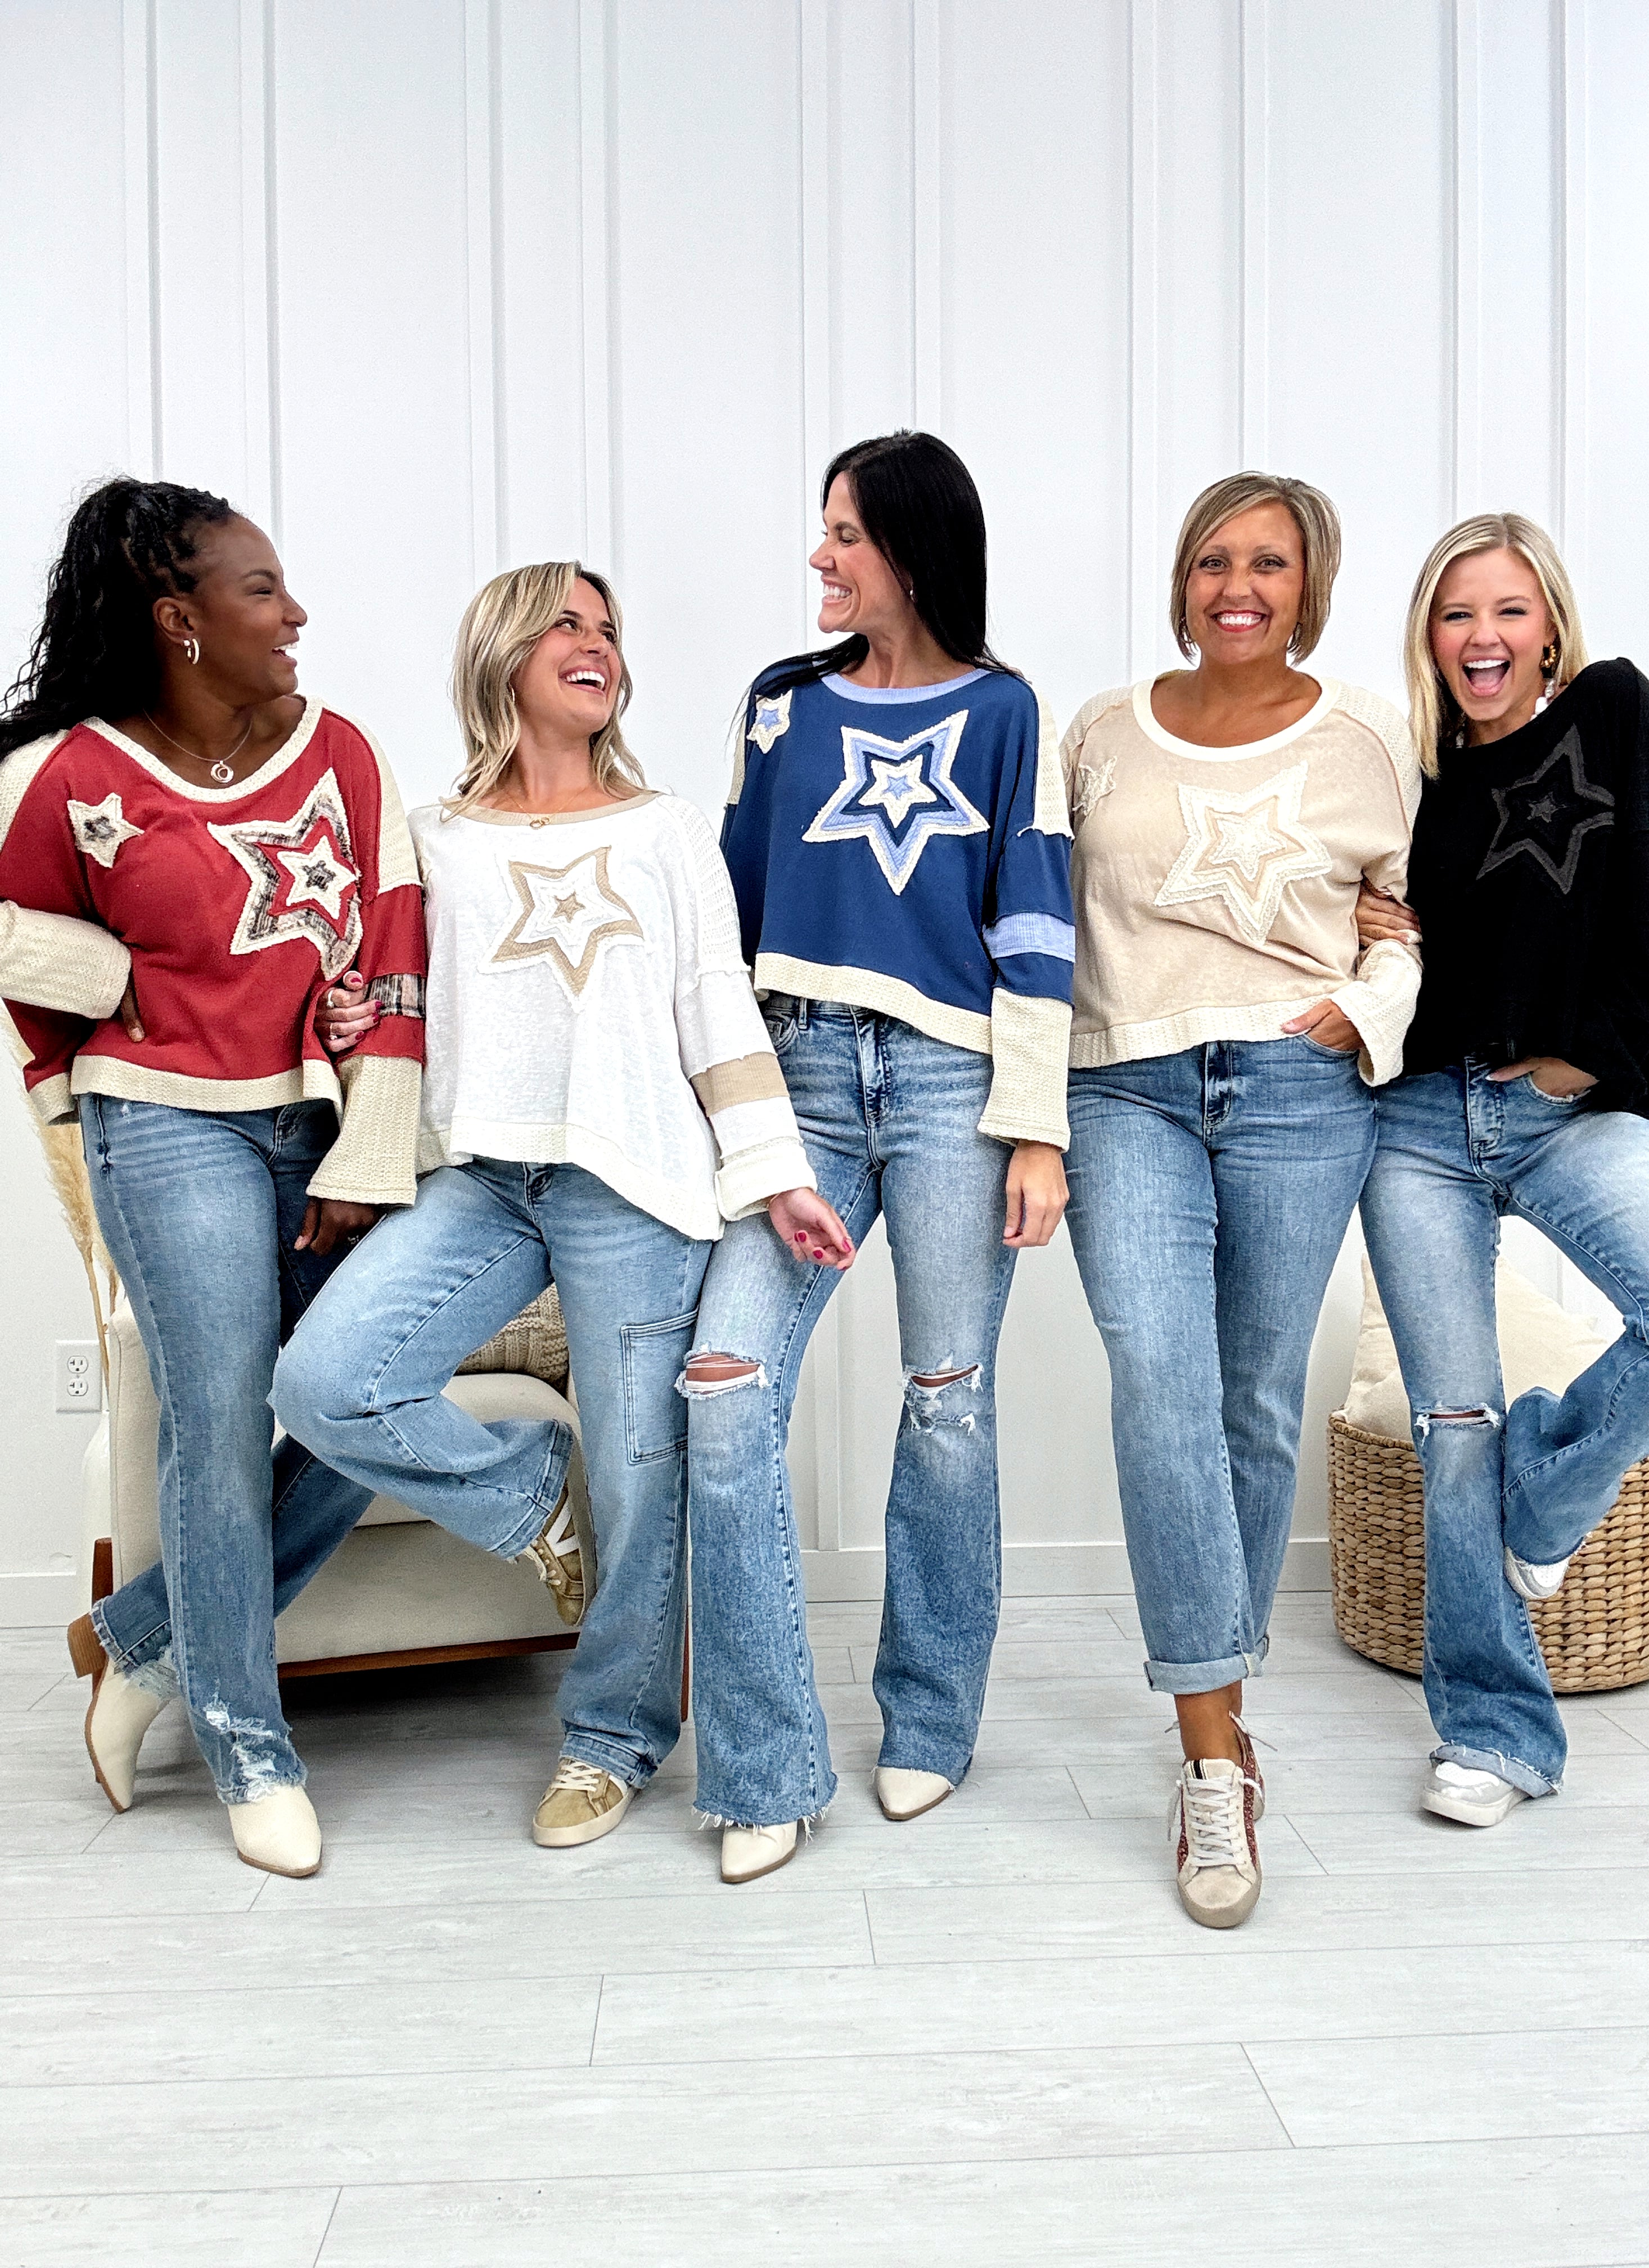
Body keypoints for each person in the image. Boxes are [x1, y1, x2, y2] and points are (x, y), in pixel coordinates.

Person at [273, 561, 846, 1849]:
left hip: (634, 1181)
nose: (597, 645)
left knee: (643, 1485)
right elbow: (391, 1002)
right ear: (505, 652)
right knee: (328, 1379)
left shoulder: (665, 829)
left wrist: (775, 1171)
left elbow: (715, 1009)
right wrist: (351, 1018)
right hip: (478, 1176)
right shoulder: (432, 836)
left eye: (609, 629)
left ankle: (610, 1742)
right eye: (566, 625)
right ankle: (533, 1499)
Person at [0, 476, 426, 1878]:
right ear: (177, 619)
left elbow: (397, 957)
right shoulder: (67, 775)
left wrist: (373, 1144)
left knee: (363, 1392)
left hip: (320, 1124)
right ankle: (250, 1744)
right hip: (162, 1121)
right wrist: (104, 970)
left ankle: (142, 1641)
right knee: (220, 1423)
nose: (295, 613)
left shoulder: (342, 753)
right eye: (261, 590)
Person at [681, 429, 1075, 1886]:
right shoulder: (781, 706)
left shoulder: (1007, 709)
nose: (821, 557)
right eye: (825, 529)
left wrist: (1037, 1125)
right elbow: (726, 915)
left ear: (912, 545)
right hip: (797, 1077)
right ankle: (766, 1762)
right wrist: (723, 1110)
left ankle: (931, 1717)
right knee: (725, 1386)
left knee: (947, 1403)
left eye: (845, 532)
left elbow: (1036, 917)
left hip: (954, 1084)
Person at [1060, 471, 1421, 1928]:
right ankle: (1215, 1753)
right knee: (1160, 1383)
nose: (1237, 588)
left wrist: (1361, 1012)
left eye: (1269, 564)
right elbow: (1040, 912)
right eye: (1214, 560)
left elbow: (1416, 922)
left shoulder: (1367, 741)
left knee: (1255, 1404)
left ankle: (1220, 1714)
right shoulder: (1100, 731)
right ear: (1182, 579)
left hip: (1297, 1088)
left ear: (1309, 586)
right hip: (1121, 1086)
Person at [1353, 511, 1649, 1826]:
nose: (1482, 637)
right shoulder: (1409, 780)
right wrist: (1372, 919)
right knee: (1455, 1428)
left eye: (1507, 610)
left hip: (1570, 1112)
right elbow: (1382, 948)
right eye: (1457, 615)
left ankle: (1544, 1497)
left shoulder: (1613, 711)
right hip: (1419, 1128)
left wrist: (1589, 1062)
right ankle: (1495, 1737)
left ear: (1549, 625)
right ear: (1429, 638)